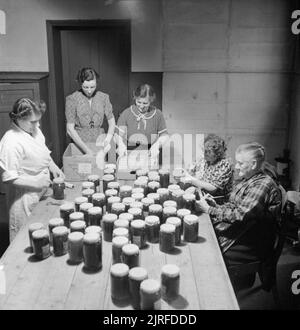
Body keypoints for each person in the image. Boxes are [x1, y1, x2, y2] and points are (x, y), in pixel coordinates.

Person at [196, 142, 282, 269]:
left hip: (252, 243)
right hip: (244, 231)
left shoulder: (262, 185)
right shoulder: (249, 179)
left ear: (253, 164)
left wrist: (209, 210)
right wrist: (216, 206)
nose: (236, 167)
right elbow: (235, 205)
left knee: (206, 252)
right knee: (203, 238)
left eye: (241, 163)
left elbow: (240, 215)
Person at [0, 98, 64, 242]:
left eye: (38, 121)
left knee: (41, 235)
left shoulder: (33, 130)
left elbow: (42, 151)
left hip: (40, 191)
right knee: (24, 239)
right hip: (24, 198)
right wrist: (36, 183)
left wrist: (52, 165)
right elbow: (10, 177)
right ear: (19, 119)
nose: (38, 125)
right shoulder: (11, 141)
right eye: (33, 122)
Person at [65, 67, 116, 156]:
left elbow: (112, 122)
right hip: (80, 144)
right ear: (80, 83)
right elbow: (70, 129)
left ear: (97, 83)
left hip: (100, 142)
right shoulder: (72, 99)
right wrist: (87, 150)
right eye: (85, 87)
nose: (89, 91)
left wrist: (107, 140)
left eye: (92, 87)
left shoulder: (104, 97)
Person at [115, 84, 168, 163]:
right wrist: (121, 145)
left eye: (145, 103)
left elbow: (164, 135)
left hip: (149, 157)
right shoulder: (127, 113)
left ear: (151, 100)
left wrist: (156, 146)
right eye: (138, 102)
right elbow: (117, 135)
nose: (141, 106)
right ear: (135, 98)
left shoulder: (157, 114)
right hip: (128, 156)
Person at [186, 134, 233, 198]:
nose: (204, 153)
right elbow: (193, 173)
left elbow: (212, 188)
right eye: (204, 150)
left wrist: (190, 180)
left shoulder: (224, 165)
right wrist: (186, 174)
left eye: (208, 152)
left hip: (217, 200)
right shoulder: (206, 160)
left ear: (218, 153)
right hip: (203, 194)